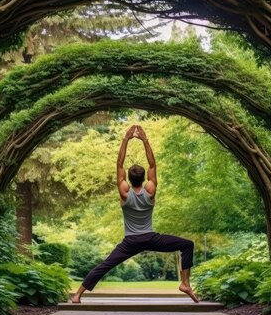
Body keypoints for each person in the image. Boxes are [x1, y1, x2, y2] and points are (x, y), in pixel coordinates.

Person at [70, 125, 199, 303]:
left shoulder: (124, 193)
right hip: (150, 238)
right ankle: (185, 283)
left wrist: (125, 140)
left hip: (130, 241)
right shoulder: (150, 192)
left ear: (128, 179)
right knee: (187, 245)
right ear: (144, 179)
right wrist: (145, 140)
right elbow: (153, 164)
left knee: (104, 266)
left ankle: (78, 295)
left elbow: (119, 164)